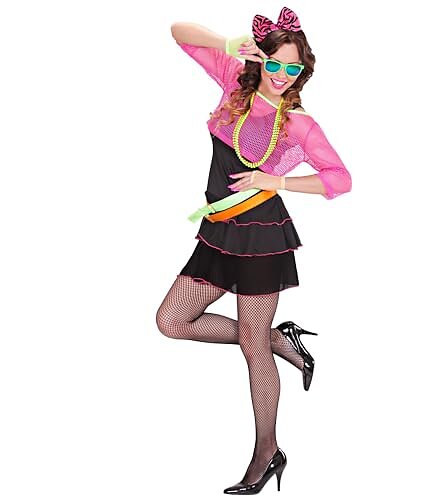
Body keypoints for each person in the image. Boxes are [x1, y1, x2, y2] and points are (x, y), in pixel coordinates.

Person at [156, 6, 352, 495]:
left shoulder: (298, 124)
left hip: (263, 238)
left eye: (294, 68)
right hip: (219, 231)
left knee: (251, 346)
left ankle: (268, 451)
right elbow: (179, 31)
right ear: (262, 60)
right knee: (171, 321)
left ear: (302, 72)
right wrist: (227, 44)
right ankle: (280, 341)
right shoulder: (232, 83)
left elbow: (339, 179)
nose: (283, 75)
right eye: (276, 63)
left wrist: (277, 180)